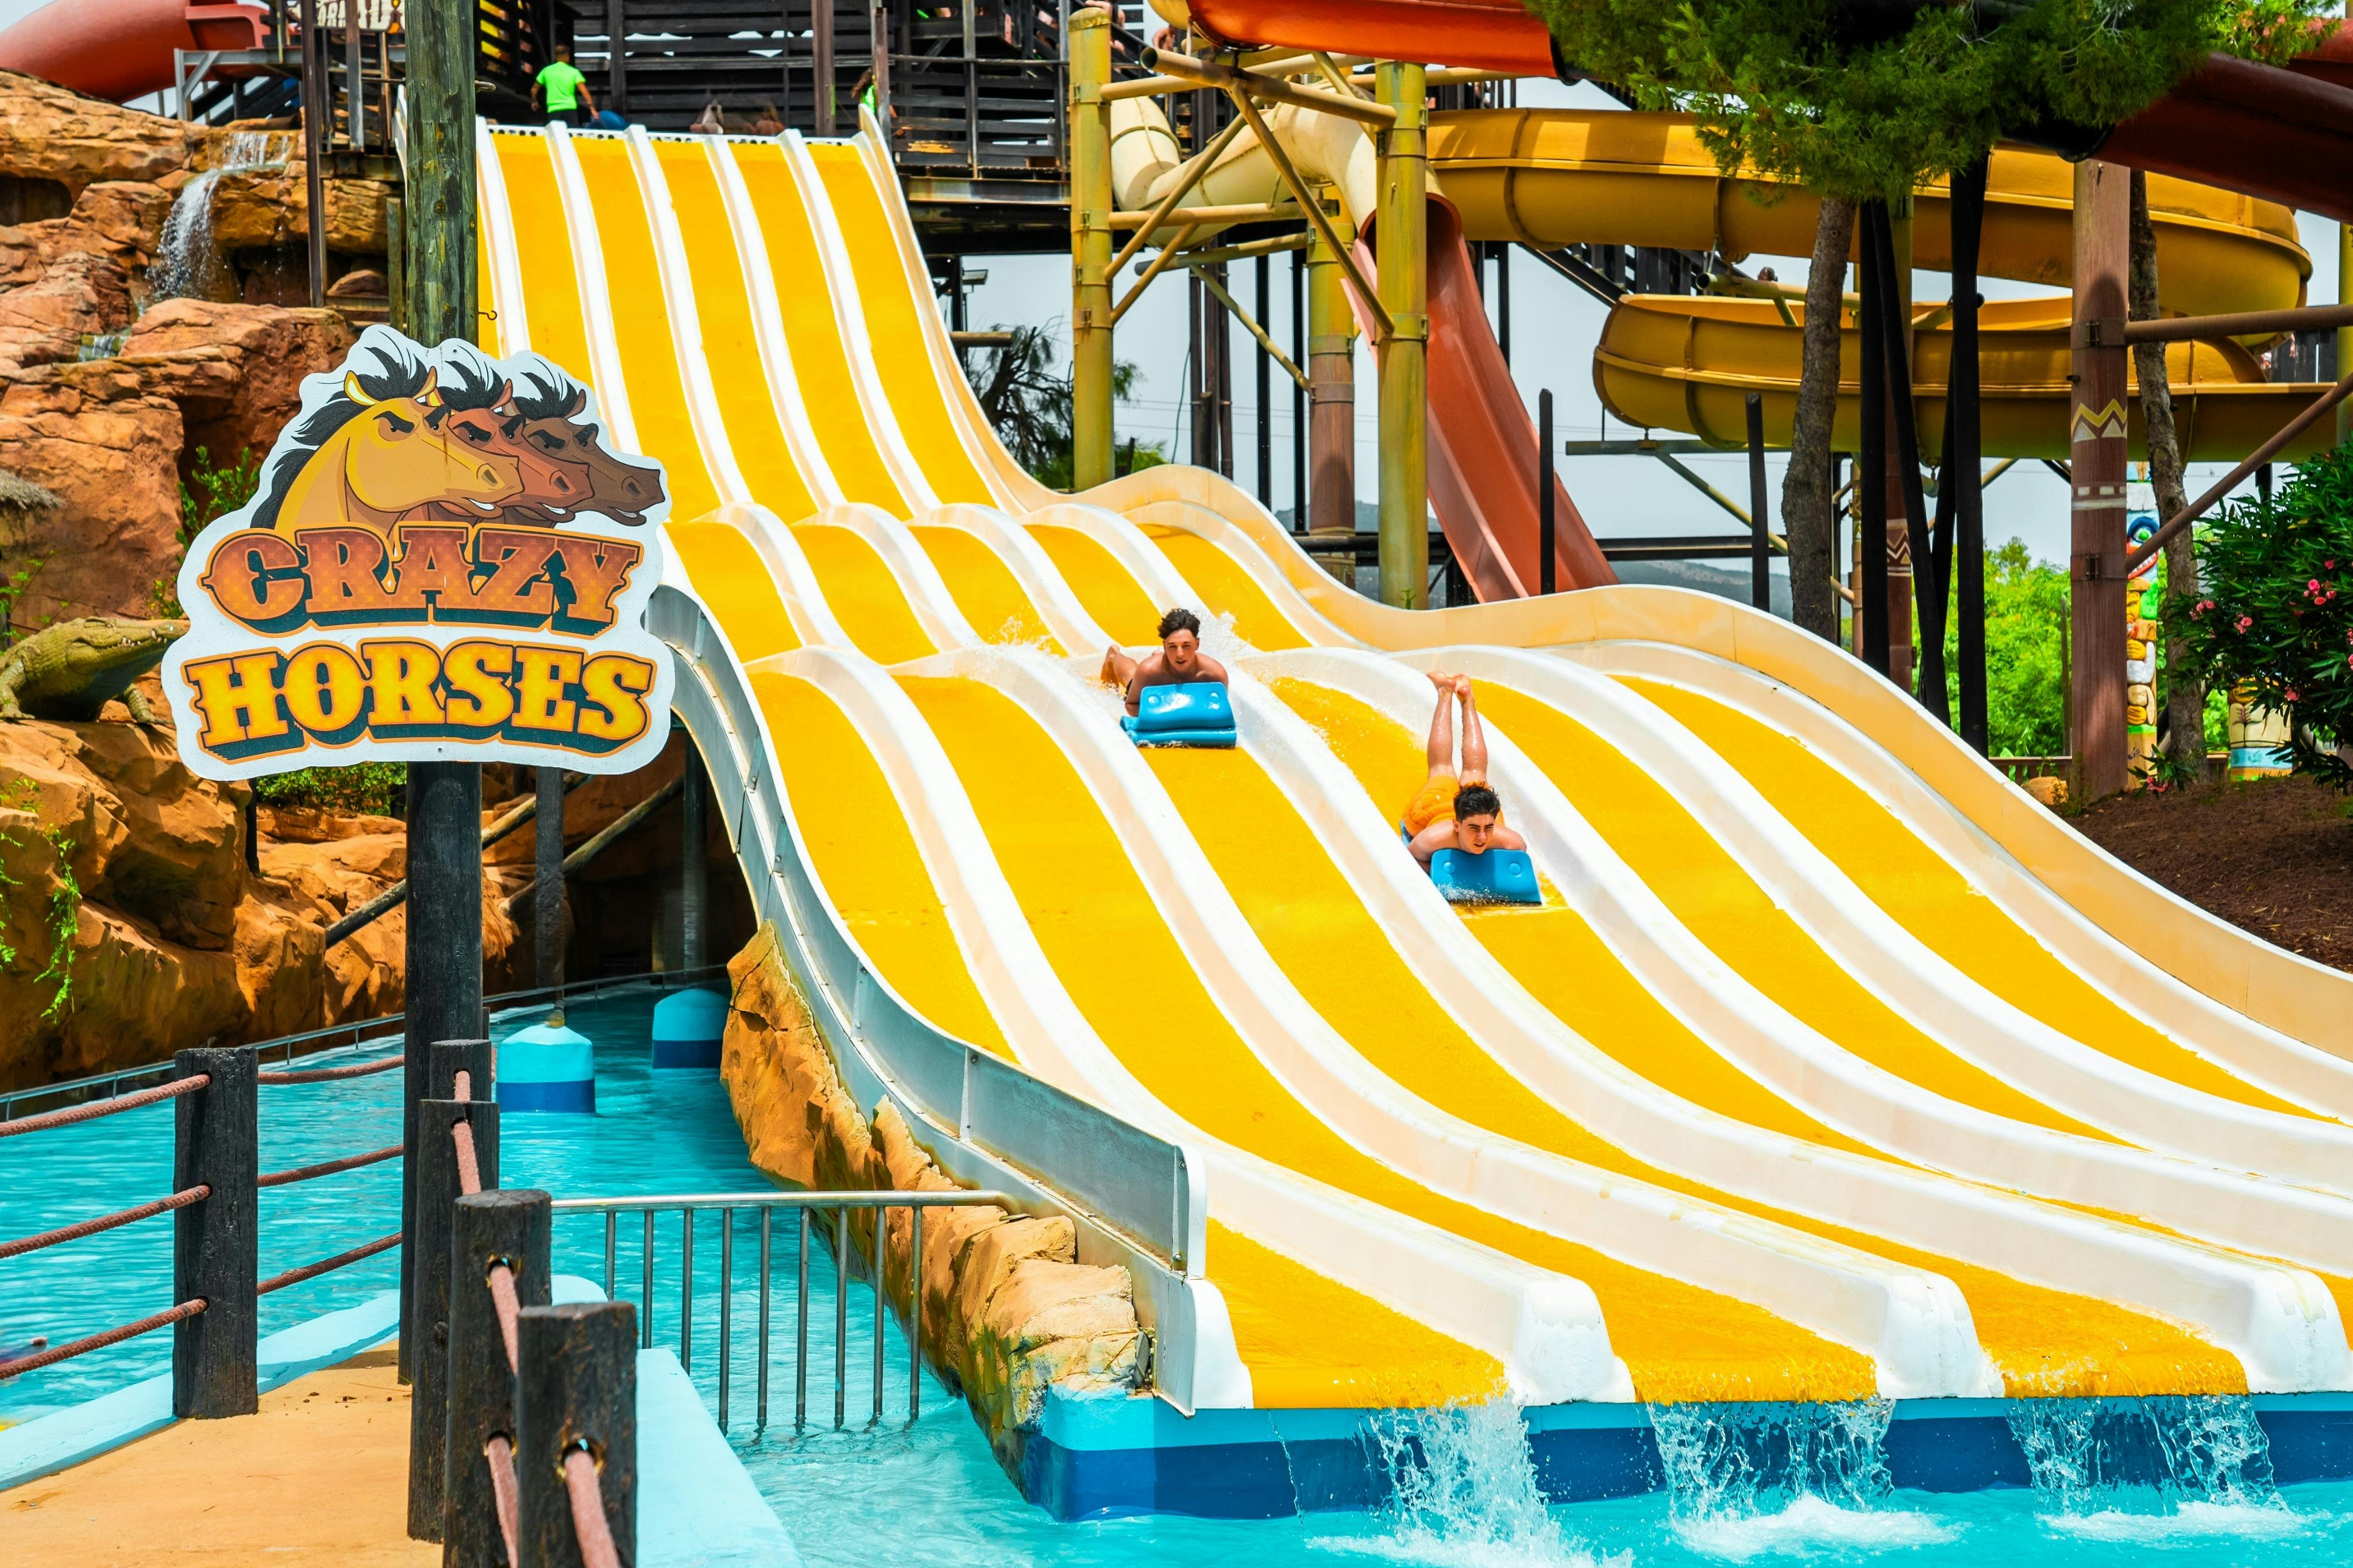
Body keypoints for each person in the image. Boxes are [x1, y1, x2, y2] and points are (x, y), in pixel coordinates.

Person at [1404, 674, 1526, 866]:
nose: (1482, 837)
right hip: (1435, 807)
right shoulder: (1432, 840)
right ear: (1457, 825)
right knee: (1442, 768)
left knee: (1476, 774)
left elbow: (1520, 855)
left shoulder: (1510, 841)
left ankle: (1466, 698)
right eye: (1474, 828)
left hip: (1475, 809)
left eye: (1489, 828)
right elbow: (1413, 857)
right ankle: (1445, 694)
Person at [1101, 608, 1228, 717]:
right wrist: (1165, 718)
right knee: (1133, 676)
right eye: (1172, 647)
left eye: (1186, 646)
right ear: (1165, 646)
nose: (1180, 654)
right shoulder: (1148, 671)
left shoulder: (1215, 674)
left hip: (1164, 670)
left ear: (1197, 644)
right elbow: (1131, 705)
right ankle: (1114, 656)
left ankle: (1158, 655)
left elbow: (1220, 707)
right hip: (1156, 680)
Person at [533, 44, 596, 128]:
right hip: (570, 109)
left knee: (555, 135)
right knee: (572, 134)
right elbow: (585, 93)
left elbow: (534, 89)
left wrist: (534, 102)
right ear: (567, 57)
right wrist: (592, 109)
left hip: (553, 110)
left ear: (556, 57)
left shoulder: (546, 71)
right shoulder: (574, 72)